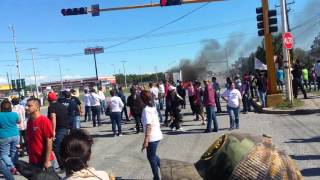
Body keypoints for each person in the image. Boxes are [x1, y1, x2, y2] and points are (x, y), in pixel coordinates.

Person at [25, 98, 55, 169]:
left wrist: (47, 161)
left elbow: (49, 141)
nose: (26, 108)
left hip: (43, 161)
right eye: (26, 106)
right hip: (33, 160)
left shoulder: (44, 121)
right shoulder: (29, 121)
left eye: (29, 106)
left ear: (37, 107)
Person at [140, 90, 163, 180]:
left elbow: (148, 126)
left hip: (152, 136)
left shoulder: (146, 110)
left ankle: (156, 177)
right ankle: (165, 168)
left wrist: (146, 140)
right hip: (157, 134)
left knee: (151, 157)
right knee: (153, 155)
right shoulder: (153, 107)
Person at [47, 92, 69, 169]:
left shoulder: (51, 107)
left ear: (48, 100)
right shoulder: (62, 105)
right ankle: (67, 163)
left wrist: (53, 132)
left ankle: (63, 166)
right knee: (64, 147)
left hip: (59, 129)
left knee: (56, 148)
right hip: (66, 128)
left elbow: (53, 118)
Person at [0, 100, 20, 175]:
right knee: (14, 152)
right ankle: (15, 167)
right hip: (15, 135)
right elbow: (18, 121)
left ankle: (11, 167)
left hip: (3, 136)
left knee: (3, 154)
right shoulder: (14, 114)